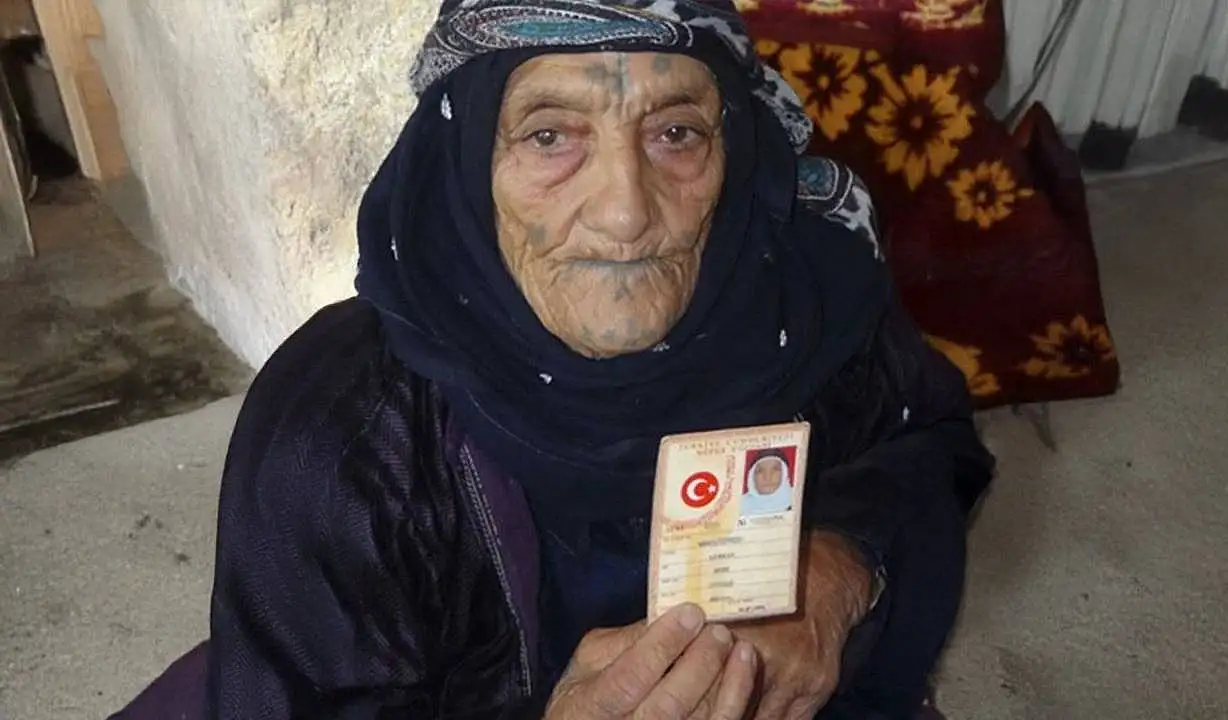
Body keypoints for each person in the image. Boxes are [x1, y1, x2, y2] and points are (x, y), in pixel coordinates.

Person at [109, 0, 994, 718]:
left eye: (676, 133)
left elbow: (933, 445)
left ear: (737, 147)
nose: (624, 212)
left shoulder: (806, 310)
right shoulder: (342, 429)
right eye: (548, 137)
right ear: (465, 161)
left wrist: (838, 566)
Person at [740, 450, 794, 517]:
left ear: (784, 473)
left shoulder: (797, 498)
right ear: (752, 476)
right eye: (760, 471)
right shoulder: (738, 506)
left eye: (775, 469)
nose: (767, 477)